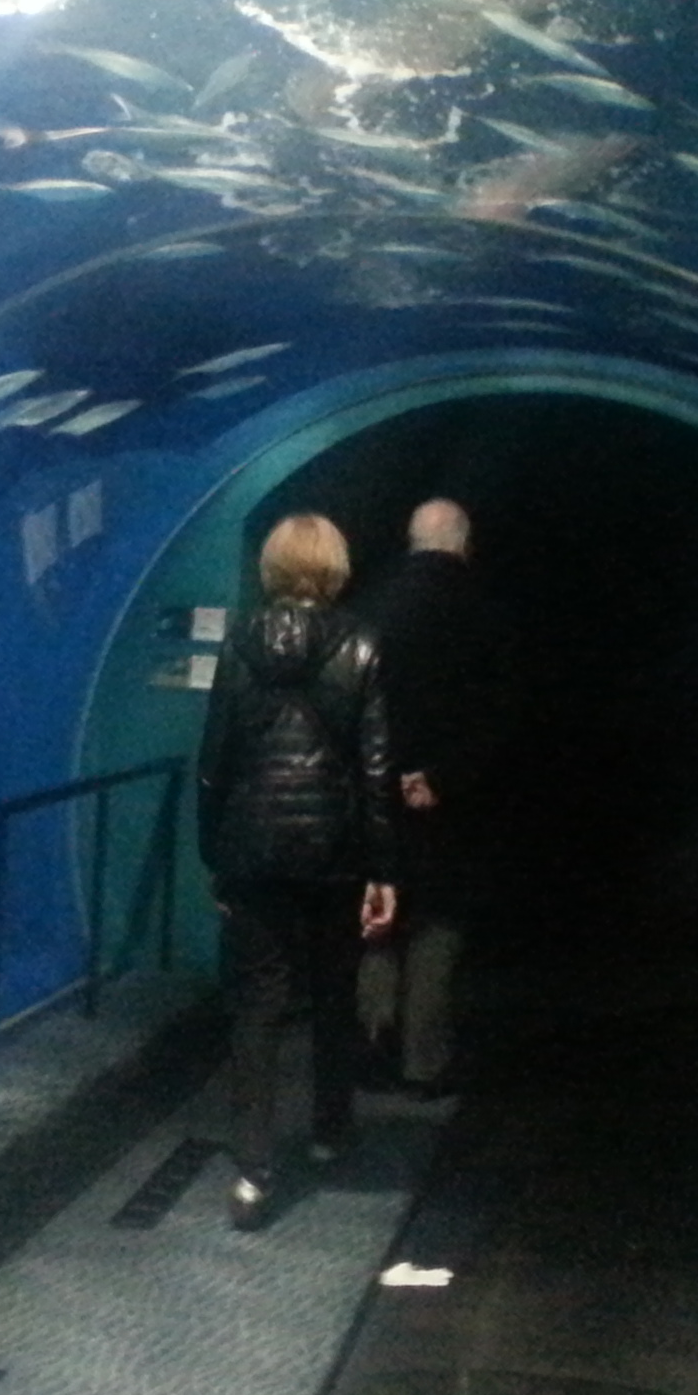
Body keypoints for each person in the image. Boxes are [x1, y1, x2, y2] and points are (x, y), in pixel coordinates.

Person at [197, 511, 397, 1230]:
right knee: (334, 990)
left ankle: (253, 1171)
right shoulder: (364, 643)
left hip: (253, 851)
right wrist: (384, 870)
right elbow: (376, 769)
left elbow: (215, 763)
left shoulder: (239, 645)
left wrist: (214, 856)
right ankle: (330, 1128)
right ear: (336, 567)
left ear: (274, 568)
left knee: (259, 1004)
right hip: (335, 852)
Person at [355, 498, 505, 1096]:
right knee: (438, 926)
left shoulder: (372, 607)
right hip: (454, 802)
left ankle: (372, 1044)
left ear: (410, 540)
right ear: (463, 542)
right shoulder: (486, 611)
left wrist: (384, 772)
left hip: (377, 792)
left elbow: (356, 704)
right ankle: (424, 1060)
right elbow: (500, 714)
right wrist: (441, 776)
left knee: (376, 920)